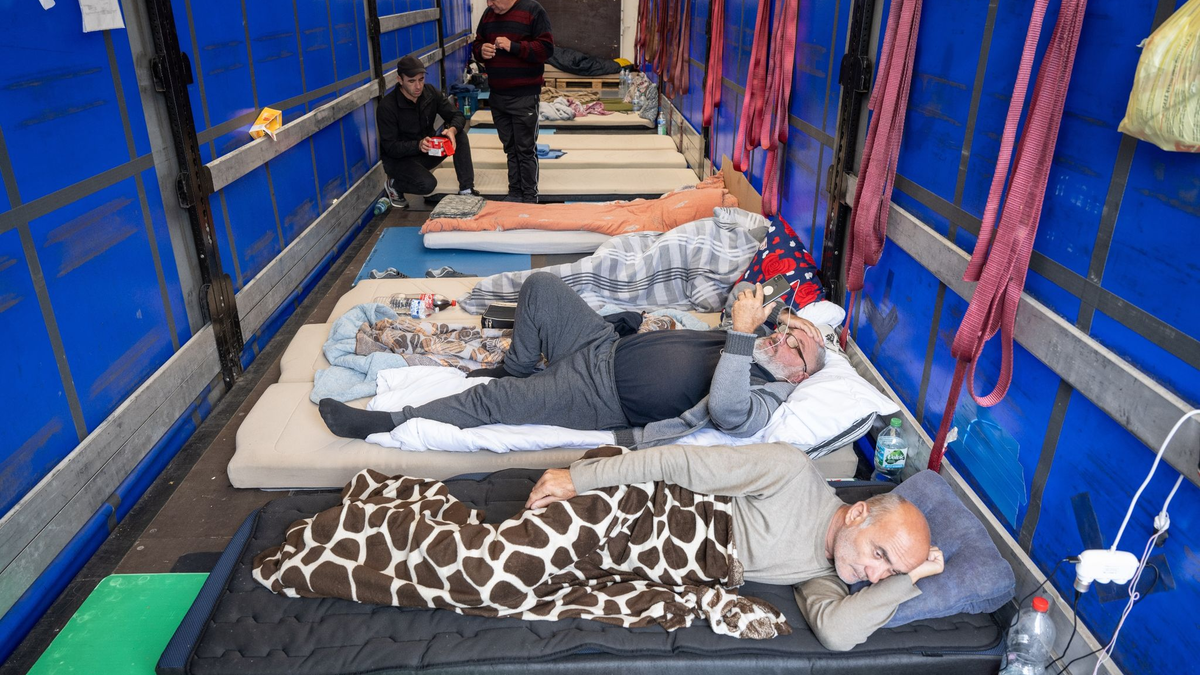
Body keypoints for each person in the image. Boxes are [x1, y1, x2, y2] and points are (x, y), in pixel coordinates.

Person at [255, 442, 944, 647]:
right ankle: (360, 527)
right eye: (881, 553)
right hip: (634, 507)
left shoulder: (822, 572)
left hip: (631, 558)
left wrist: (912, 577)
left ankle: (390, 514)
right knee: (496, 577)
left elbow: (840, 635)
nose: (870, 574)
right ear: (858, 515)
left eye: (883, 573)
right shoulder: (794, 474)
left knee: (530, 595)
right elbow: (679, 463)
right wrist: (575, 475)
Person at [318, 272, 828, 445]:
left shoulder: (769, 392)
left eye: (795, 342)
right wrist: (762, 310)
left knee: (492, 399)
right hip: (602, 346)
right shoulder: (760, 338)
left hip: (599, 397)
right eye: (788, 328)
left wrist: (741, 335)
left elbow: (729, 412)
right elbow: (743, 296)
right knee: (540, 287)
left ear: (802, 372)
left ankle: (383, 423)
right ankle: (516, 364)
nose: (782, 337)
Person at [473, 0, 553, 203]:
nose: (490, 3)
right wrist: (481, 51)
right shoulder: (488, 15)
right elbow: (477, 43)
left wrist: (514, 47)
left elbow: (546, 49)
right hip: (497, 94)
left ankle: (529, 196)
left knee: (525, 149)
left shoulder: (533, 11)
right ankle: (515, 192)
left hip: (524, 96)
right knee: (510, 148)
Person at [377, 55, 479, 209]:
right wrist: (417, 145)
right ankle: (395, 185)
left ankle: (466, 189)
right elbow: (390, 148)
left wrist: (452, 129)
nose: (418, 86)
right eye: (411, 81)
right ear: (400, 80)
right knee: (427, 185)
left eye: (421, 79)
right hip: (399, 160)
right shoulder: (387, 107)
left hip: (427, 151)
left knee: (458, 134)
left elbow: (457, 115)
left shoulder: (430, 92)